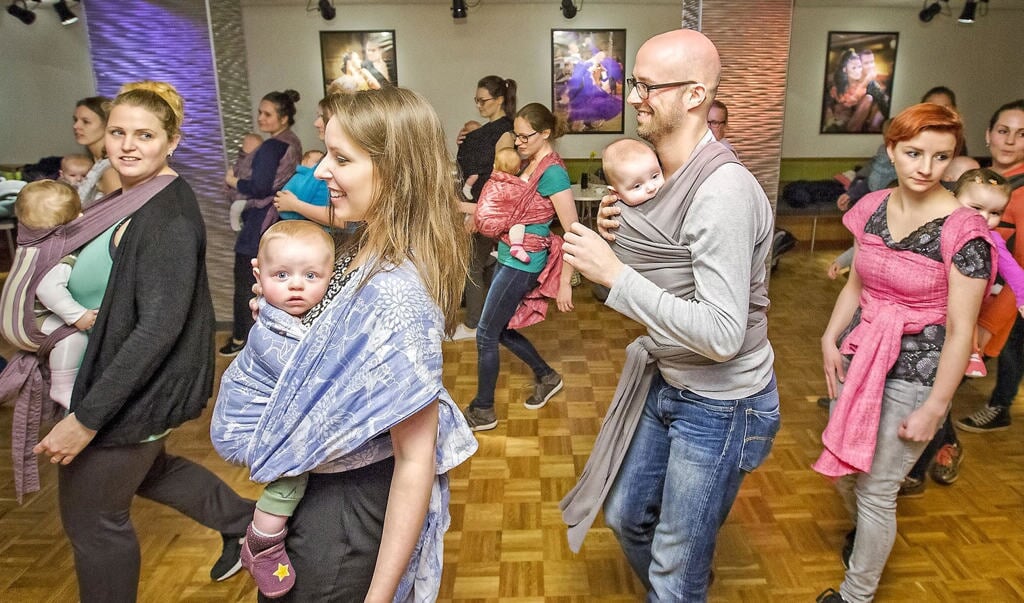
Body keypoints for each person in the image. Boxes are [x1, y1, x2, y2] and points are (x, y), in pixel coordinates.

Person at [225, 86, 477, 602]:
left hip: (348, 514)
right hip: (323, 494)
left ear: (395, 169)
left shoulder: (397, 292)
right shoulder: (360, 246)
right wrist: (280, 317)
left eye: (341, 158)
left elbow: (415, 461)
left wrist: (380, 595)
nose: (320, 171)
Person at [559, 29, 779, 601]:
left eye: (649, 86)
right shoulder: (656, 181)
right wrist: (621, 242)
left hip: (723, 401)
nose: (635, 97)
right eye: (636, 82)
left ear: (695, 95)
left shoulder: (721, 193)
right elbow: (662, 276)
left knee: (673, 568)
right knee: (627, 517)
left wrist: (616, 273)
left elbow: (724, 334)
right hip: (669, 377)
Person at [32, 80, 255, 603]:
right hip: (122, 386)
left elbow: (157, 327)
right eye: (118, 132)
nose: (129, 145)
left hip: (126, 395)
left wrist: (85, 420)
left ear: (171, 141)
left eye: (145, 135)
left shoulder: (166, 218)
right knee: (152, 471)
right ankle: (248, 525)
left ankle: (253, 527)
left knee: (94, 523)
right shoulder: (131, 197)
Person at [813, 103, 992, 603]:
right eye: (913, 153)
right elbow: (857, 284)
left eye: (941, 157)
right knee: (847, 474)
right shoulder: (871, 206)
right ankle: (866, 548)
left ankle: (856, 595)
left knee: (876, 490)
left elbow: (961, 330)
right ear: (890, 150)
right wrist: (830, 337)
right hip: (863, 352)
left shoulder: (964, 232)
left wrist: (936, 407)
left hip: (919, 371)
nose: (925, 167)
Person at [211, 220, 335, 598]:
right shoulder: (274, 331)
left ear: (331, 277)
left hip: (258, 419)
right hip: (244, 428)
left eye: (311, 275)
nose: (296, 285)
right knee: (291, 474)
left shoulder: (285, 313)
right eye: (281, 274)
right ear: (258, 273)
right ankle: (261, 544)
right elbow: (317, 380)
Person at [462, 102, 578, 432]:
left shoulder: (553, 172)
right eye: (515, 134)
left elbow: (573, 231)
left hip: (524, 264)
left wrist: (566, 281)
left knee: (485, 333)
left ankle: (483, 409)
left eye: (524, 135)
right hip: (508, 256)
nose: (517, 141)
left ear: (545, 134)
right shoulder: (529, 163)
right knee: (496, 329)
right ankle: (546, 375)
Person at [956, 99, 1024, 432]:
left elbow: (1018, 267)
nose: (1010, 141)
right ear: (988, 135)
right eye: (1003, 131)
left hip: (1004, 301)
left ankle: (1001, 406)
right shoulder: (974, 181)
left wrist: (991, 321)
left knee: (1011, 350)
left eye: (1021, 134)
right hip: (964, 295)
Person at [222, 89, 303, 357]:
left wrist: (234, 181)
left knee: (247, 281)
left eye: (267, 114)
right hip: (276, 218)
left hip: (260, 220)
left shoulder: (272, 146)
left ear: (283, 119)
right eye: (260, 112)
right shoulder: (293, 142)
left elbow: (259, 186)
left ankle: (241, 341)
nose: (260, 118)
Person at [13, 180, 94, 409]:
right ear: (77, 218)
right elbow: (48, 289)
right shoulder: (59, 253)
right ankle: (62, 387)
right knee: (74, 337)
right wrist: (77, 315)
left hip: (14, 318)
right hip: (33, 322)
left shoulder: (29, 243)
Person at [452, 75, 517, 341]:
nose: (479, 104)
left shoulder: (505, 131)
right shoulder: (491, 128)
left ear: (499, 99)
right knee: (481, 262)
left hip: (482, 207)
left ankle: (473, 324)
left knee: (473, 264)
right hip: (474, 204)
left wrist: (479, 212)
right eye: (476, 100)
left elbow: (498, 178)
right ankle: (486, 316)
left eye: (483, 100)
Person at [477, 147, 533, 263]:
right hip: (495, 223)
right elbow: (523, 201)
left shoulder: (490, 182)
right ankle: (516, 246)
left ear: (493, 166)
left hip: (480, 220)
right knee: (519, 221)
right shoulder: (515, 186)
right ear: (518, 170)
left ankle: (494, 251)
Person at [72, 96, 121, 206]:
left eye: (86, 121)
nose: (76, 126)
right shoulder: (92, 163)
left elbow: (119, 212)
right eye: (75, 120)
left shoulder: (110, 169)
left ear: (107, 124)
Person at [600, 138, 664, 207]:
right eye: (637, 186)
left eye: (655, 176)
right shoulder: (617, 212)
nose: (651, 188)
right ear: (616, 193)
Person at [227, 132, 264, 232]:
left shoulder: (258, 161)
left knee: (236, 208)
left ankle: (237, 228)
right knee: (236, 209)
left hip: (247, 197)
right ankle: (237, 227)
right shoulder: (241, 161)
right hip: (240, 194)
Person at [275, 150, 326, 221]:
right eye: (317, 162)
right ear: (303, 162)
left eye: (323, 162)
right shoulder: (298, 178)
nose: (320, 165)